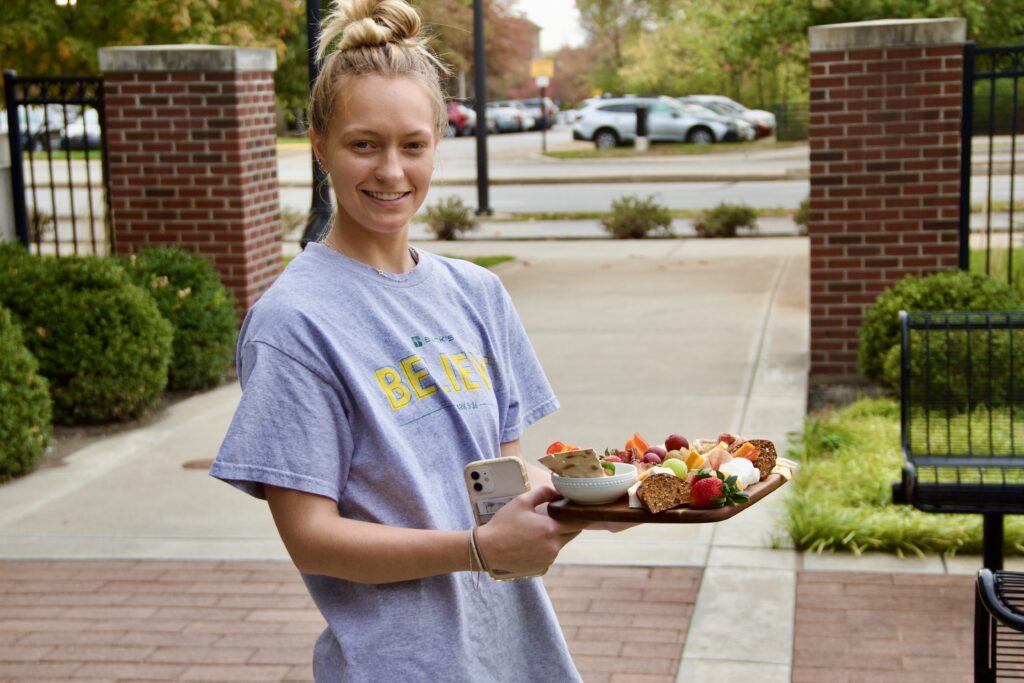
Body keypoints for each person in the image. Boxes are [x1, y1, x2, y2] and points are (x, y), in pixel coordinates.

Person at [209, 0, 591, 680]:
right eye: (365, 143)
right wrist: (475, 549)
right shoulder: (295, 322)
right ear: (319, 142)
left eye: (412, 145)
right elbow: (312, 539)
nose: (391, 171)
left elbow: (501, 482)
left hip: (514, 651)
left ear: (437, 145)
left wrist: (592, 500)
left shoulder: (477, 293)